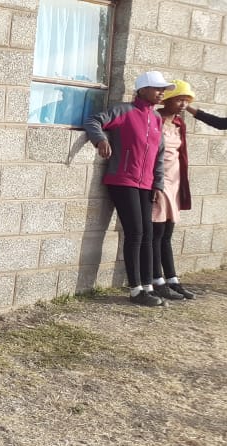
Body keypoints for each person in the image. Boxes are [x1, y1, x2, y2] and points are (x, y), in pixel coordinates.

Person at [84, 71, 172, 307]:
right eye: (157, 88)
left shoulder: (156, 118)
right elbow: (93, 120)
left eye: (163, 89)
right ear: (142, 89)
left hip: (146, 184)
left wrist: (158, 183)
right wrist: (100, 139)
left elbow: (159, 155)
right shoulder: (123, 111)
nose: (161, 93)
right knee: (135, 233)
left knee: (147, 234)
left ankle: (148, 287)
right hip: (122, 180)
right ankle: (135, 290)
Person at [149, 81, 197, 301]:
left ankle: (172, 279)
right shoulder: (154, 119)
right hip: (159, 181)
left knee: (167, 233)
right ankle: (156, 279)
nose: (183, 105)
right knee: (156, 233)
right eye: (179, 100)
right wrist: (153, 183)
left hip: (175, 182)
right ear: (167, 100)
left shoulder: (179, 123)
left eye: (186, 101)